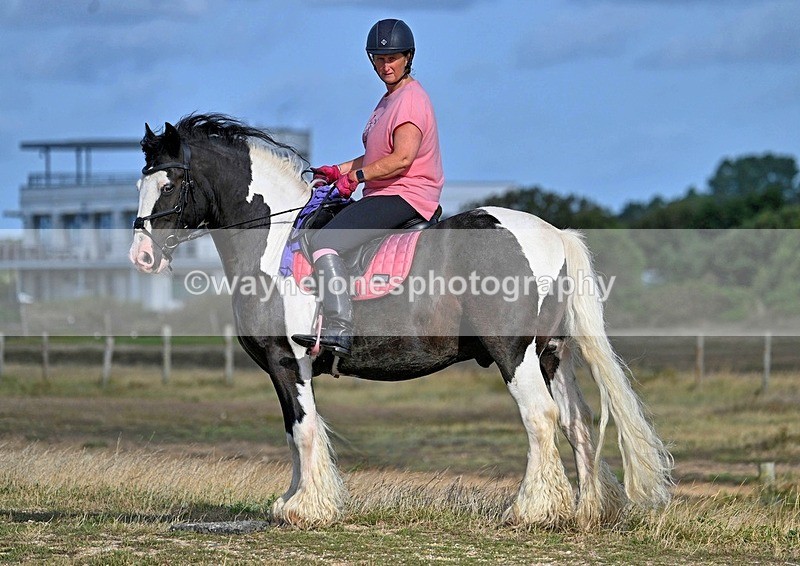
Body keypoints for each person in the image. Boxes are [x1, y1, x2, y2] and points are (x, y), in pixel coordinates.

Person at [292, 18, 444, 358]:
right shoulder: (387, 101)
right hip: (385, 191)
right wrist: (338, 170)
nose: (385, 65)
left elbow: (402, 159)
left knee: (325, 241)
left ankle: (339, 328)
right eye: (378, 58)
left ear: (408, 57)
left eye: (392, 58)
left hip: (407, 194)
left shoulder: (410, 100)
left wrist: (355, 179)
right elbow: (376, 156)